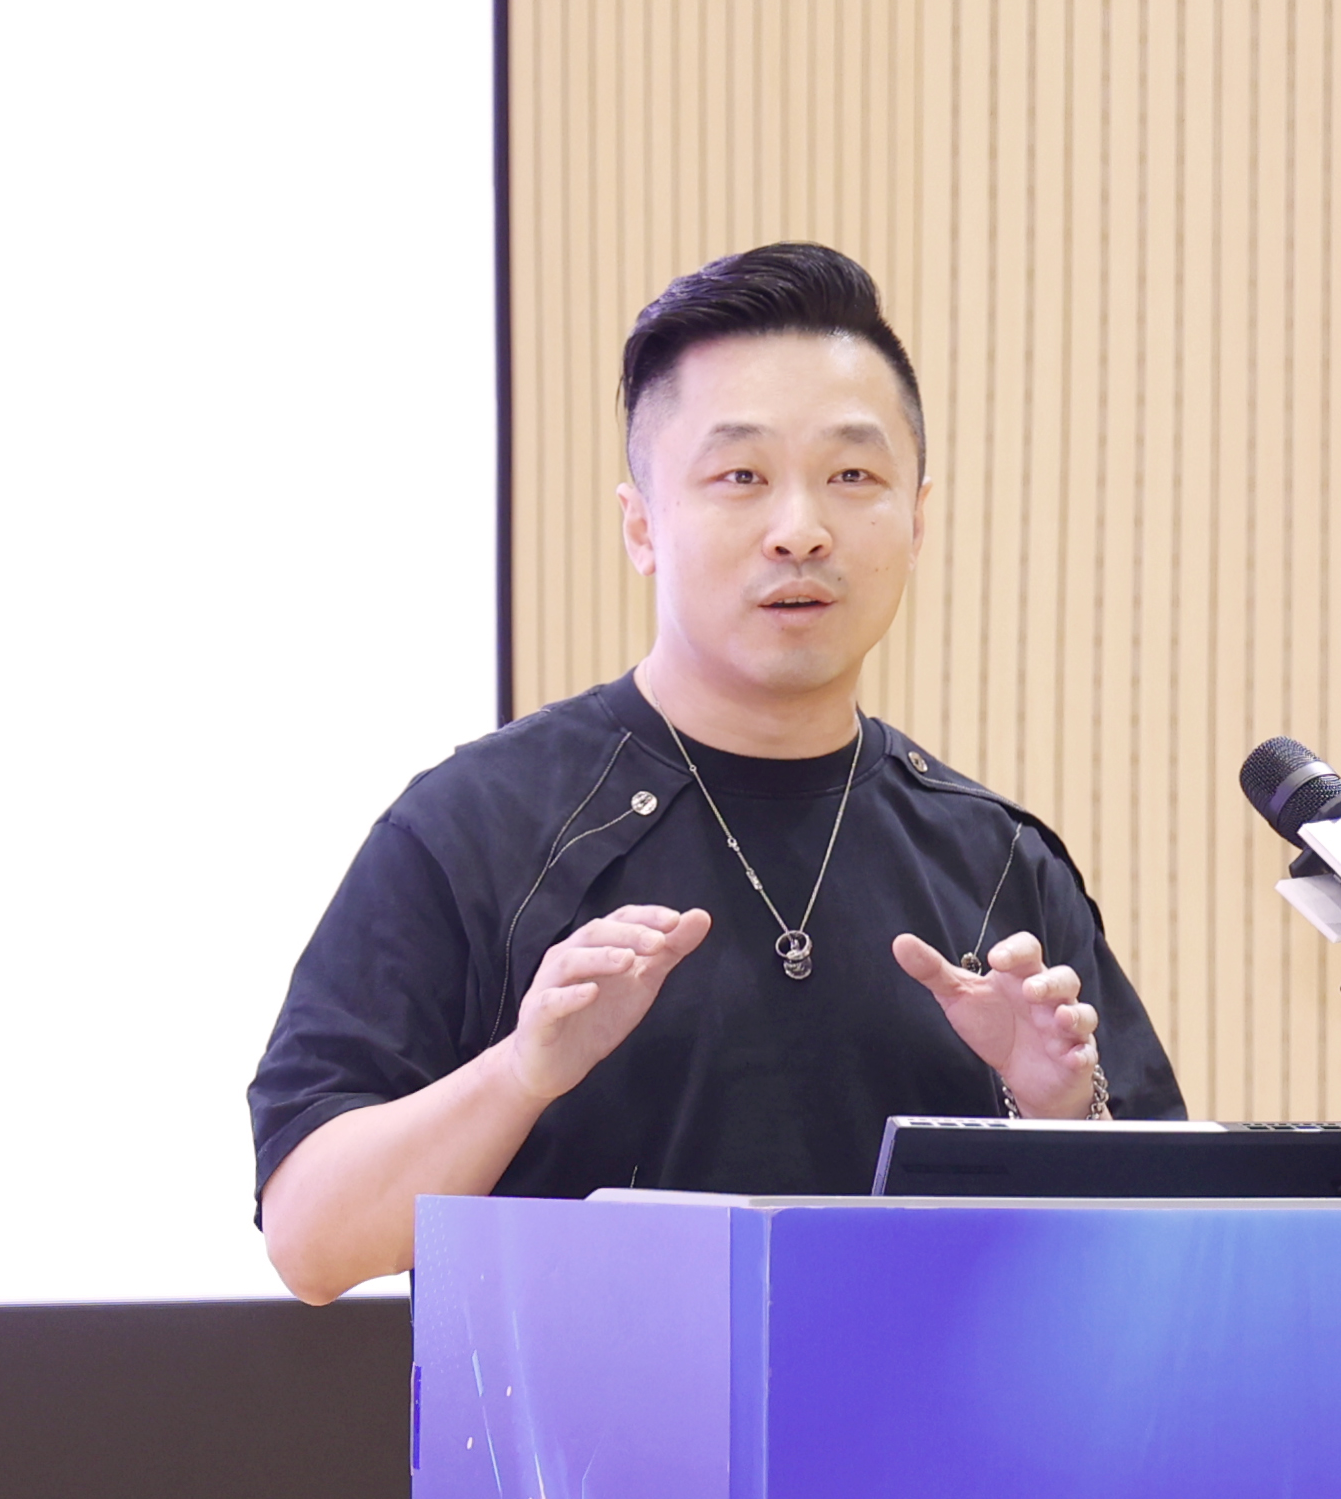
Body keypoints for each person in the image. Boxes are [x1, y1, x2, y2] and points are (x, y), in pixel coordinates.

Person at [249, 243, 1184, 1303]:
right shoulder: (475, 828)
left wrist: (1059, 1111)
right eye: (741, 477)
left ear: (918, 520)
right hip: (584, 1421)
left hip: (930, 1421)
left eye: (853, 476)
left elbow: (1162, 1275)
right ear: (641, 525)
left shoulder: (997, 859)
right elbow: (310, 1241)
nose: (801, 531)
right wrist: (522, 1070)